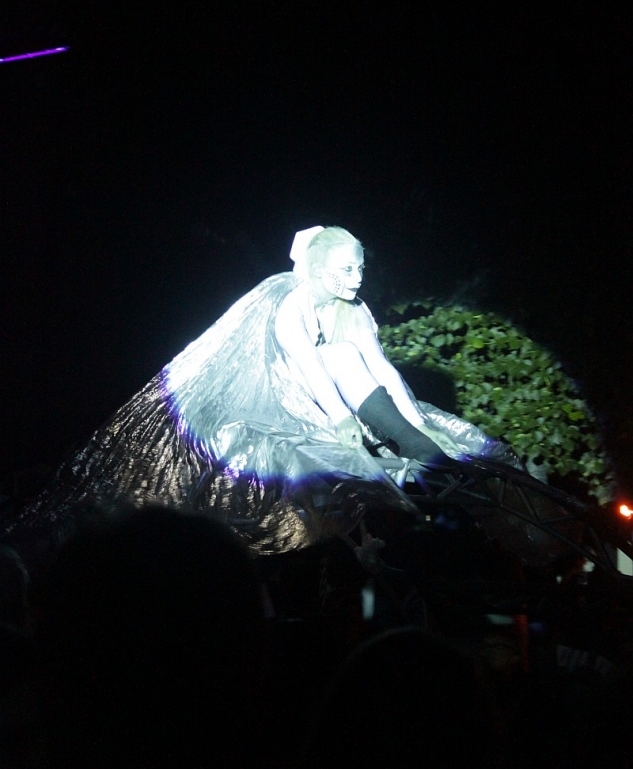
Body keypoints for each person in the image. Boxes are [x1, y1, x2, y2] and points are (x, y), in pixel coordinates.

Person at [6, 226, 520, 558]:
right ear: (317, 268)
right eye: (346, 269)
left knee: (349, 357)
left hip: (343, 398)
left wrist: (419, 427)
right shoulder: (288, 301)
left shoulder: (355, 311)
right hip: (281, 401)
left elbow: (383, 370)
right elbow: (308, 368)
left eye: (361, 268)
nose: (357, 278)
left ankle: (420, 455)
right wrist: (345, 427)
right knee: (334, 369)